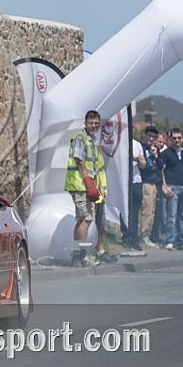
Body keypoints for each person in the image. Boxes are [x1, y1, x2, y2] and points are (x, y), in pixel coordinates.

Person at [64, 110, 106, 265]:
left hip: (86, 185)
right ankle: (81, 255)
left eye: (96, 123)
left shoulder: (92, 140)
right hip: (80, 184)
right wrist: (88, 181)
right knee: (85, 218)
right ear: (85, 123)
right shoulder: (81, 138)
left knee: (84, 219)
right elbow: (79, 160)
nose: (93, 126)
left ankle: (78, 255)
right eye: (91, 123)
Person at [159, 127, 183, 251]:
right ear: (170, 139)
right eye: (174, 138)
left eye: (179, 138)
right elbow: (161, 171)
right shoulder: (166, 153)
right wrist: (165, 186)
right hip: (172, 187)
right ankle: (170, 240)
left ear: (182, 139)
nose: (177, 140)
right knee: (171, 216)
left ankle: (182, 242)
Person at [138, 125, 161, 248]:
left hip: (154, 182)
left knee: (152, 210)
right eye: (149, 136)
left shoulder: (154, 149)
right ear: (145, 135)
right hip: (145, 181)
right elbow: (144, 165)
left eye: (153, 137)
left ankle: (147, 233)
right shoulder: (141, 148)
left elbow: (161, 165)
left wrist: (156, 155)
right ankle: (143, 234)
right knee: (146, 208)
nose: (151, 139)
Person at [122, 136, 146, 250]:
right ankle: (126, 237)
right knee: (124, 211)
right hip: (124, 181)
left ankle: (135, 239)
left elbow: (143, 164)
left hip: (136, 181)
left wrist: (138, 160)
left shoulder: (137, 144)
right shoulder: (120, 143)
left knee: (135, 212)